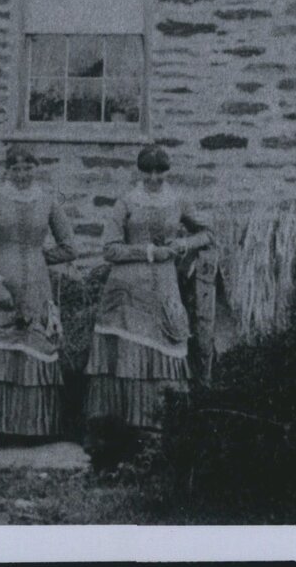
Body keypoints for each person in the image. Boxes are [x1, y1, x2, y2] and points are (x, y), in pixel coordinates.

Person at [86, 146, 212, 441]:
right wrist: (149, 251)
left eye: (160, 171)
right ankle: (118, 426)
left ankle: (158, 426)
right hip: (126, 290)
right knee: (126, 355)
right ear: (140, 172)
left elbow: (207, 233)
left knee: (164, 346)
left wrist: (184, 245)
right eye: (148, 172)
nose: (154, 178)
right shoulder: (127, 202)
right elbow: (110, 249)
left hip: (163, 288)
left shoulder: (179, 200)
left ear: (167, 172)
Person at [0, 144, 78, 445]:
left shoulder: (48, 203)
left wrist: (37, 258)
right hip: (0, 286)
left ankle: (32, 430)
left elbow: (69, 247)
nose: (22, 174)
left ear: (36, 169)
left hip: (37, 288)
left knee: (34, 344)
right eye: (16, 169)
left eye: (28, 168)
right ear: (7, 170)